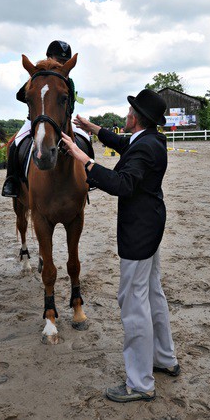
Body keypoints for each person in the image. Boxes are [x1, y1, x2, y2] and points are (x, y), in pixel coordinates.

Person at [60, 89, 179, 403]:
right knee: (153, 293)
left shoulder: (145, 148)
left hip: (139, 232)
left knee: (133, 303)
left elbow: (122, 184)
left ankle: (140, 383)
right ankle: (165, 358)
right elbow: (123, 143)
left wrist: (84, 160)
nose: (126, 115)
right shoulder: (148, 139)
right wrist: (93, 129)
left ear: (135, 118)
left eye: (129, 111)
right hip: (151, 225)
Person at [2, 40, 91, 197]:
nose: (61, 64)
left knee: (86, 139)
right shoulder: (39, 76)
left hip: (63, 122)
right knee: (15, 144)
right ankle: (12, 181)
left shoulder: (68, 82)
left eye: (64, 62)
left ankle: (88, 177)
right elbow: (20, 95)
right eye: (58, 60)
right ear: (49, 58)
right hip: (35, 120)